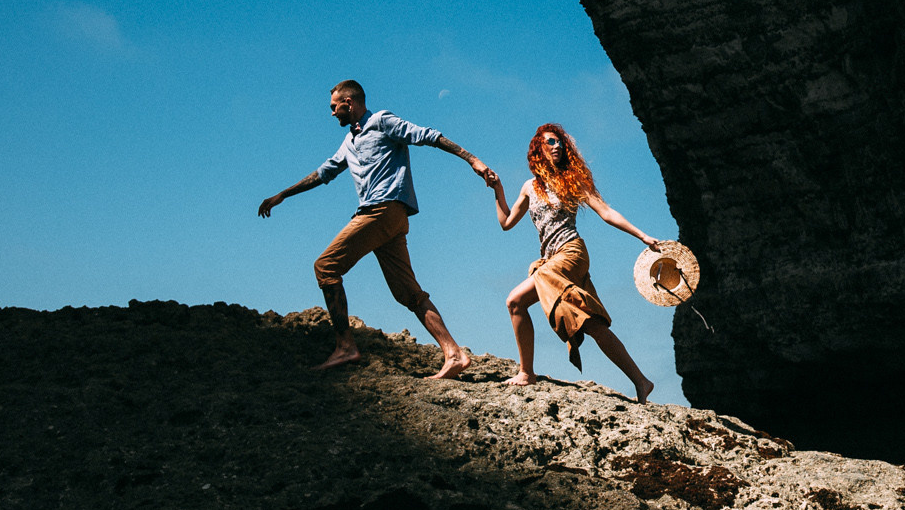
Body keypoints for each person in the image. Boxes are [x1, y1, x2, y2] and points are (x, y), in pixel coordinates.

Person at [259, 80, 497, 374]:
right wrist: (283, 194)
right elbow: (323, 173)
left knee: (325, 267)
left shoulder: (381, 121)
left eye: (334, 107)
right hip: (390, 221)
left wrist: (472, 159)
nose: (332, 113)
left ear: (348, 102)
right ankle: (454, 353)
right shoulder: (350, 141)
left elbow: (427, 136)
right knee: (408, 294)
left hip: (382, 210)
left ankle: (346, 347)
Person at [490, 122, 657, 402]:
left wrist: (642, 235)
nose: (557, 147)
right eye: (551, 142)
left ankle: (526, 373)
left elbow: (606, 212)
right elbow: (506, 222)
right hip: (550, 260)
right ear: (538, 149)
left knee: (514, 300)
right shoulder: (529, 187)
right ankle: (642, 381)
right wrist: (498, 189)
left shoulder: (572, 179)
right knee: (591, 325)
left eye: (560, 142)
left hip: (571, 253)